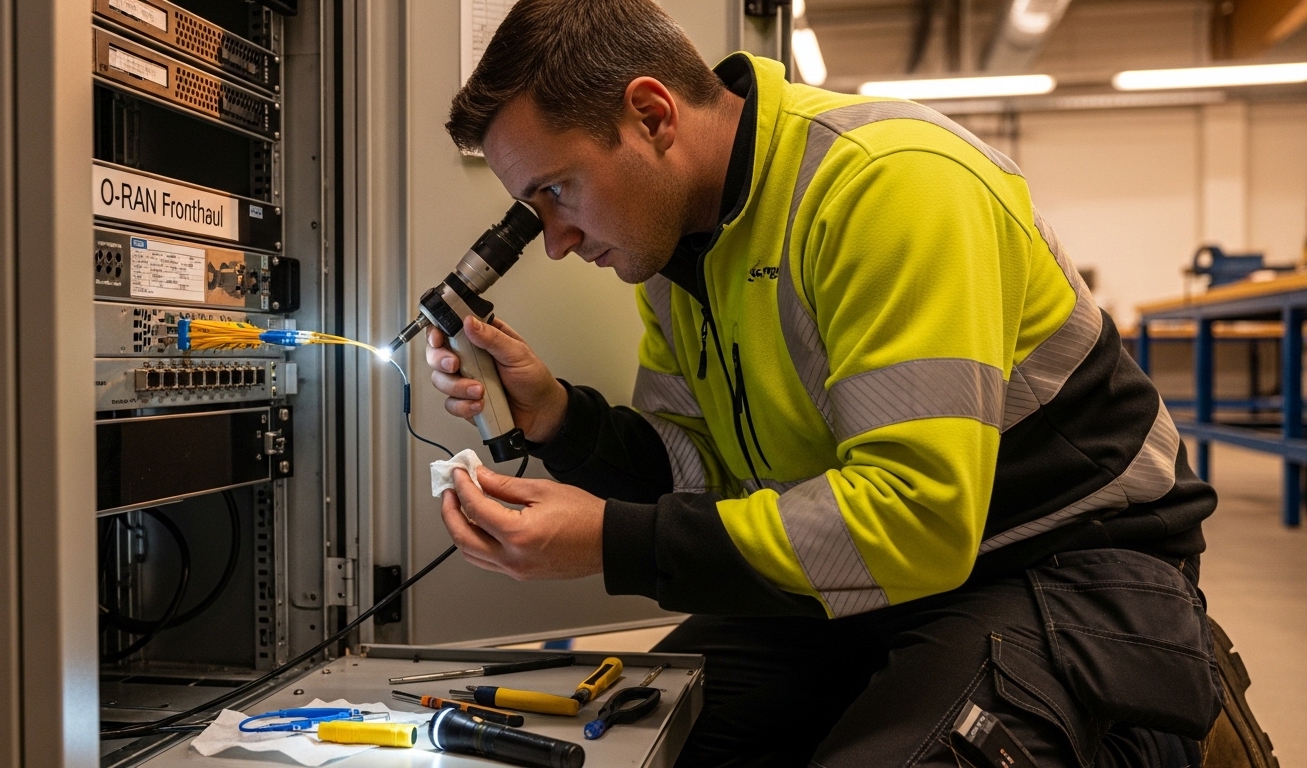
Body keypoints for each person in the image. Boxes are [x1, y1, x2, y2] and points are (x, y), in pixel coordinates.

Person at [425, 1, 1278, 766]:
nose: (559, 242)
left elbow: (916, 513)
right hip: (880, 582)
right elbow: (704, 479)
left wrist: (612, 542)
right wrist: (561, 421)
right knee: (637, 740)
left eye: (556, 191)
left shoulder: (887, 181)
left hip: (1069, 569)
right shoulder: (680, 256)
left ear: (651, 114)